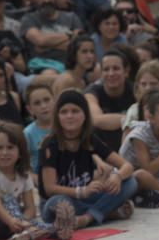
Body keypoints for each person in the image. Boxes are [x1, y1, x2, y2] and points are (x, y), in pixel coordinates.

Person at [38, 89, 137, 227]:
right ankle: (107, 212)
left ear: (85, 115)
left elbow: (127, 166)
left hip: (85, 198)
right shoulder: (50, 144)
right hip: (60, 200)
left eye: (75, 111)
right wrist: (81, 192)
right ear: (57, 117)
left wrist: (117, 176)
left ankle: (88, 218)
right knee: (58, 202)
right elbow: (50, 188)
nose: (69, 116)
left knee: (130, 182)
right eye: (64, 112)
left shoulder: (90, 139)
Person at [0, 123, 52, 240]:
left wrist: (21, 221)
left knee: (44, 225)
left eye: (10, 147)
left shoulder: (24, 174)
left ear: (20, 152)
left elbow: (30, 208)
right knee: (8, 200)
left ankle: (45, 230)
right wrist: (12, 221)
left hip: (14, 221)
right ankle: (24, 235)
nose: (4, 153)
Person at [20, 0, 83, 74]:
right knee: (50, 73)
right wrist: (70, 35)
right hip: (43, 66)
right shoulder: (28, 19)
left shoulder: (72, 17)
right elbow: (40, 40)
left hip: (71, 64)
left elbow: (79, 45)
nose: (46, 0)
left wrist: (45, 46)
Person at [84, 49, 136, 155]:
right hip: (100, 151)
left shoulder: (135, 91)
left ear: (126, 71)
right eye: (106, 69)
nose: (111, 73)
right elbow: (96, 120)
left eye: (116, 68)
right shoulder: (91, 92)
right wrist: (130, 119)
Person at [23, 82, 54, 175]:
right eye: (37, 103)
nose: (43, 106)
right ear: (30, 109)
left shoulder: (65, 126)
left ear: (55, 101)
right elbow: (24, 167)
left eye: (47, 100)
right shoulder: (27, 134)